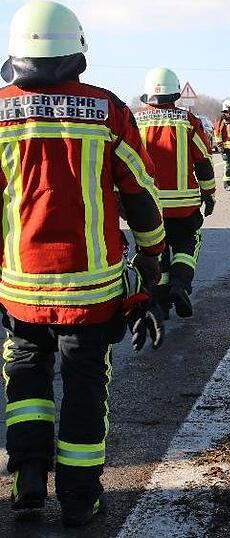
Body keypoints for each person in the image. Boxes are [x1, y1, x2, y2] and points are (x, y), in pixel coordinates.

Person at [0, 1, 166, 526]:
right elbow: (140, 194)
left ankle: (27, 476)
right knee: (84, 385)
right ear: (77, 48)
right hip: (92, 291)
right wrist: (154, 259)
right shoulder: (108, 110)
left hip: (20, 286)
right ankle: (79, 498)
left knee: (26, 377)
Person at [135, 67, 216, 319]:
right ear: (175, 91)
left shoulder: (133, 121)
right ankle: (180, 286)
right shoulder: (188, 121)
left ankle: (159, 302)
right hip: (184, 205)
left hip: (147, 204)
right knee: (187, 244)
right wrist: (209, 193)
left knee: (155, 250)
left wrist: (121, 200)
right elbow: (203, 160)